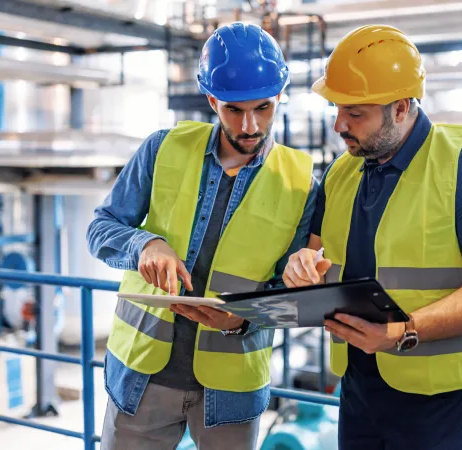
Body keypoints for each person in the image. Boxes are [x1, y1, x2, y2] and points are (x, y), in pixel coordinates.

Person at [283, 24, 462, 449]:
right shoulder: (342, 173)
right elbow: (314, 254)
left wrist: (405, 331)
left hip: (440, 405)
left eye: (355, 113)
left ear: (400, 108)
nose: (340, 124)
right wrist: (301, 265)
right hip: (357, 390)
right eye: (338, 108)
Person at [87, 22, 317, 450]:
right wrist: (144, 245)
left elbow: (295, 300)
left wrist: (245, 318)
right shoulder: (163, 148)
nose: (250, 125)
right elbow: (100, 229)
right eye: (234, 110)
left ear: (279, 98)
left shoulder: (303, 184)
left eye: (263, 108)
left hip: (231, 391)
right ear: (212, 100)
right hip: (141, 379)